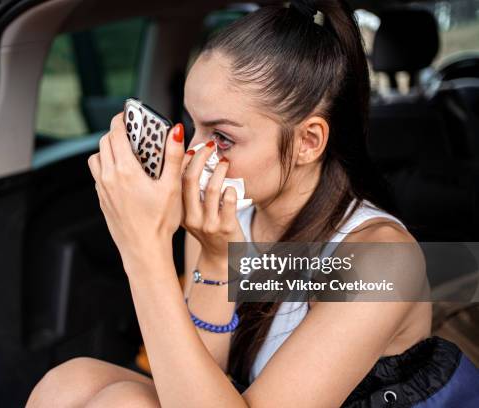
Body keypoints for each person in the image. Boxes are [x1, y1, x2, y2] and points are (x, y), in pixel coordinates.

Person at [26, 1, 479, 406]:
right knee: (69, 381)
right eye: (192, 125)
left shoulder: (381, 258)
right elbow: (187, 383)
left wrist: (143, 252)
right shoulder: (222, 214)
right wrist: (217, 259)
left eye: (221, 136)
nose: (194, 154)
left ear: (308, 141)